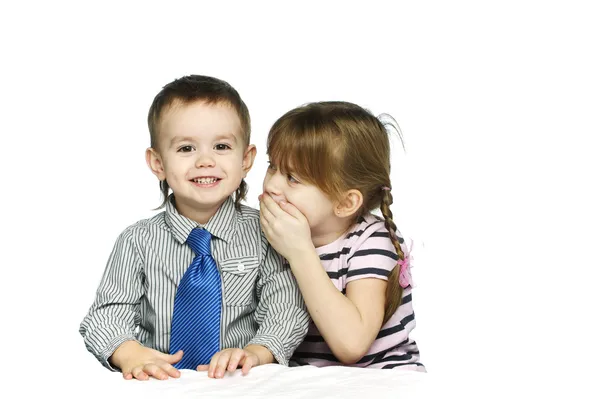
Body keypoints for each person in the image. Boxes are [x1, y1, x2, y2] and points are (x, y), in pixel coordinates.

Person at [80, 75, 309, 381]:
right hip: (162, 383)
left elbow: (286, 308)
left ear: (246, 159)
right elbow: (106, 314)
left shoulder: (266, 232)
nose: (205, 160)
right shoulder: (137, 241)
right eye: (186, 148)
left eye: (221, 146)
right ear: (158, 163)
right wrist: (130, 353)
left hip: (241, 382)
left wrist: (256, 351)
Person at [259, 101, 425, 370]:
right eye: (272, 166)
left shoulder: (372, 240)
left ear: (345, 203)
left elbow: (352, 345)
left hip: (382, 380)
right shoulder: (270, 233)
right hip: (307, 381)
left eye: (292, 178)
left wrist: (300, 252)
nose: (272, 185)